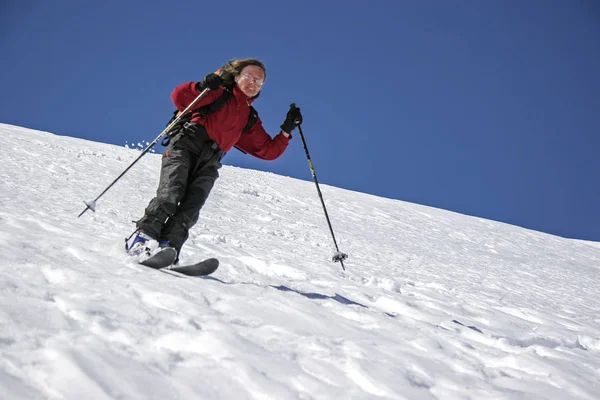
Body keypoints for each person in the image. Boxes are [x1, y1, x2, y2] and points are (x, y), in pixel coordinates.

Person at [126, 58, 302, 262]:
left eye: (259, 81)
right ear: (236, 77)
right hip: (186, 145)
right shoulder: (218, 93)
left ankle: (168, 248)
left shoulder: (248, 117)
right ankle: (141, 240)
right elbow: (180, 96)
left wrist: (286, 131)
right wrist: (203, 86)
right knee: (170, 194)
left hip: (211, 160)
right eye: (249, 77)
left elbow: (268, 151)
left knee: (191, 208)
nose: (253, 83)